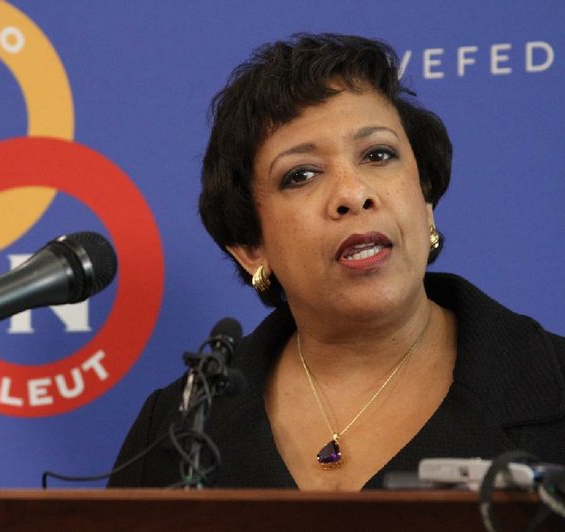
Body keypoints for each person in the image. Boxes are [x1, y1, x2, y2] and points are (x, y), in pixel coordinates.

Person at [107, 33, 565, 490]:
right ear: (251, 247)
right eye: (300, 175)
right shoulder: (179, 428)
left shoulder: (552, 383)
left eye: (378, 155)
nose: (353, 193)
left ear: (425, 201)